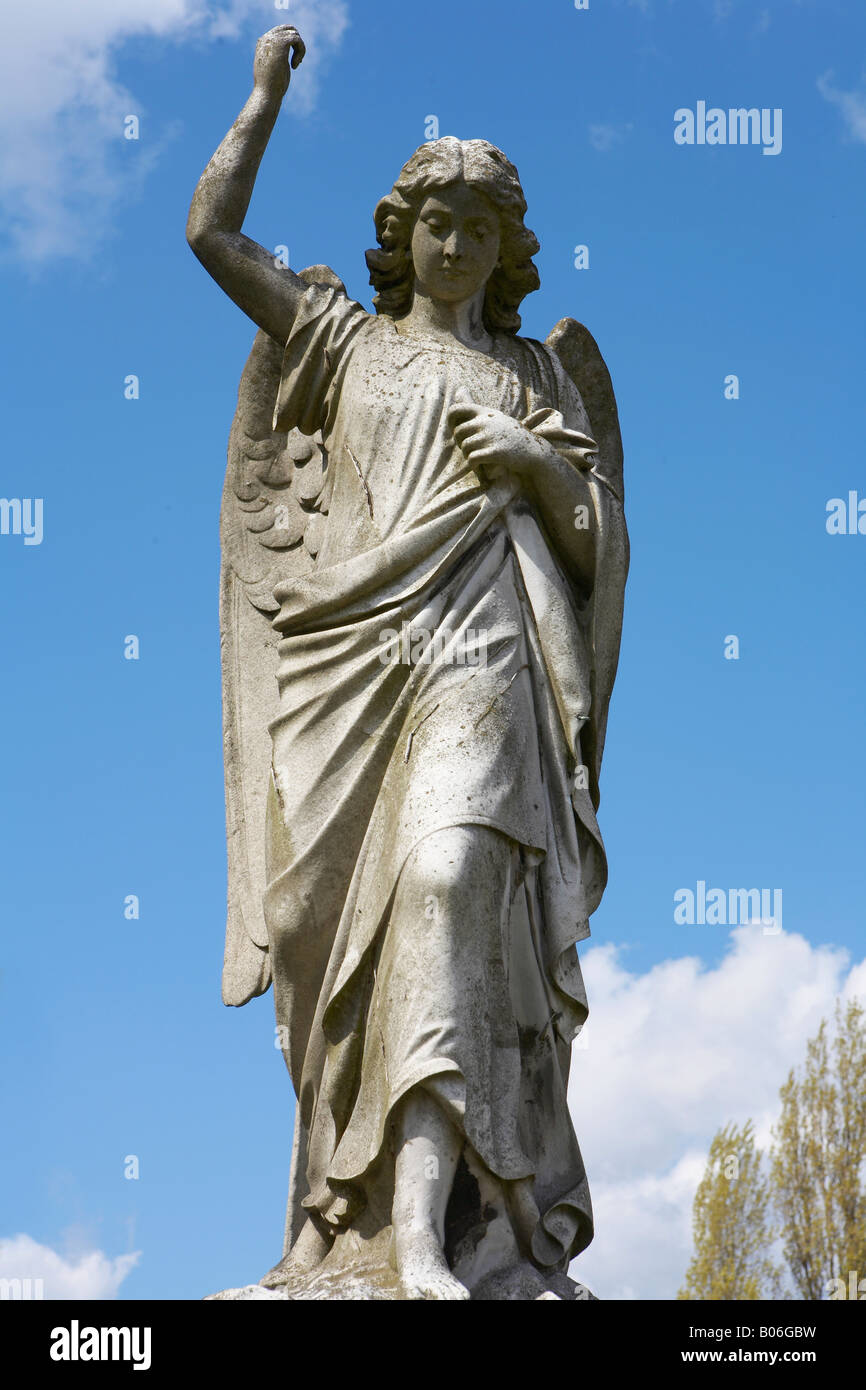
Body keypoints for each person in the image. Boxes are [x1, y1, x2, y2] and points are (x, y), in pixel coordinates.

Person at [188, 26, 627, 1300]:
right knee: (318, 939)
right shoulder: (341, 343)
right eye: (438, 222)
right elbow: (211, 235)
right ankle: (349, 1216)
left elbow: (597, 551)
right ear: (403, 232)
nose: (456, 245)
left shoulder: (533, 374)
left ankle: (431, 1234)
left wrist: (536, 463)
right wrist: (261, 101)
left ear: (505, 249)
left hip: (482, 657)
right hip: (347, 672)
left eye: (480, 229)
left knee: (441, 884)